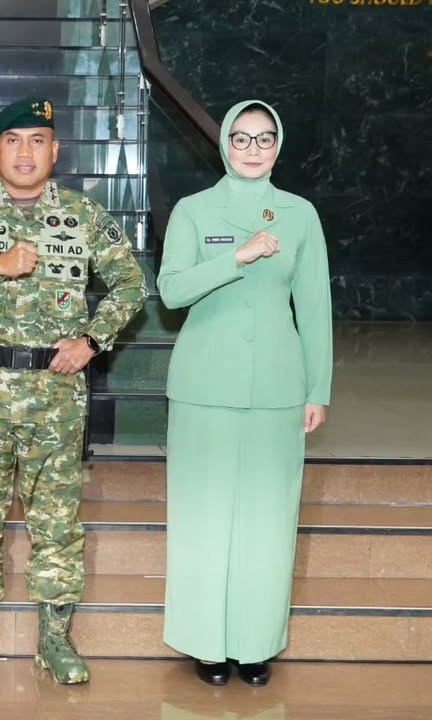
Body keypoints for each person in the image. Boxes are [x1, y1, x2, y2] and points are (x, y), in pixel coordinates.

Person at [0, 97, 148, 684]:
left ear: (55, 150)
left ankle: (55, 639)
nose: (25, 152)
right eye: (13, 141)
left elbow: (130, 284)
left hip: (56, 390)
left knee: (57, 520)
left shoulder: (83, 214)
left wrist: (92, 340)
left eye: (37, 140)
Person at [157, 100, 333, 687]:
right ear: (224, 144)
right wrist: (237, 256)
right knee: (203, 517)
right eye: (240, 138)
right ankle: (205, 643)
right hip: (203, 385)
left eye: (263, 138)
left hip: (278, 388)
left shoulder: (301, 215)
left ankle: (255, 643)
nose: (252, 149)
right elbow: (172, 291)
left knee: (268, 520)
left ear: (278, 146)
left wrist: (318, 387)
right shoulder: (193, 210)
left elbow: (315, 307)